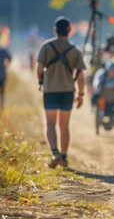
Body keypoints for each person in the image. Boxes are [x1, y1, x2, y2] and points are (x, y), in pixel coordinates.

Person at [36, 16, 86, 168]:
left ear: (55, 30)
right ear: (70, 31)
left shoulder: (46, 46)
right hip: (67, 91)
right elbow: (81, 75)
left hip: (50, 90)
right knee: (64, 125)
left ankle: (54, 153)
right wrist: (81, 94)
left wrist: (41, 82)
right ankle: (64, 157)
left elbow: (39, 69)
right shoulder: (75, 50)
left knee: (50, 123)